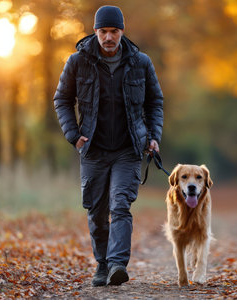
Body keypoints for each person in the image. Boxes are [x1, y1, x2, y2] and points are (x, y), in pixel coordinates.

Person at [53, 5, 164, 286]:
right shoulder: (77, 62)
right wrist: (73, 134)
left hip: (129, 149)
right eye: (103, 32)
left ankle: (117, 264)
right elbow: (62, 99)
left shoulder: (141, 62)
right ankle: (102, 265)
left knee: (120, 205)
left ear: (122, 31)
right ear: (95, 32)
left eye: (114, 31)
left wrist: (153, 136)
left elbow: (155, 102)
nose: (108, 37)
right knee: (96, 210)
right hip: (93, 149)